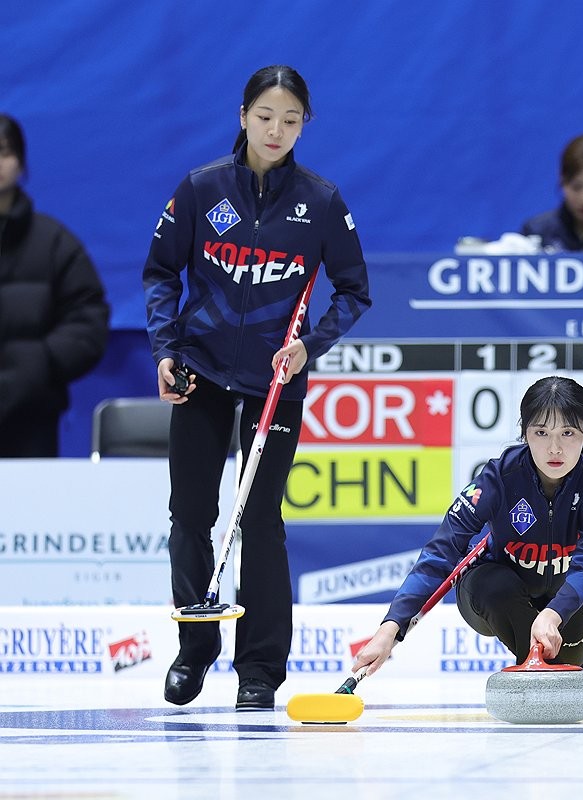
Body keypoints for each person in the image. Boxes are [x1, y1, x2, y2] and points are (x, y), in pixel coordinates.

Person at [143, 65, 371, 711]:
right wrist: (166, 348)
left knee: (261, 522)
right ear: (243, 115)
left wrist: (309, 347)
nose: (276, 130)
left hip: (277, 382)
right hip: (203, 372)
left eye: (291, 120)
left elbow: (355, 291)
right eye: (265, 116)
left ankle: (261, 670)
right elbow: (161, 274)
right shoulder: (200, 190)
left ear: (306, 125)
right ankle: (195, 647)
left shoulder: (321, 202)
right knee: (191, 514)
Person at [352, 376, 583, 677]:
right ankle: (536, 673)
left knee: (570, 682)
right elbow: (441, 551)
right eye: (541, 432)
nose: (554, 448)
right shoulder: (498, 477)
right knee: (502, 597)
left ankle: (545, 669)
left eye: (568, 432)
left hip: (564, 601)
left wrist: (554, 613)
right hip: (491, 594)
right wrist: (390, 628)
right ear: (525, 433)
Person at [0, 114, 110, 457]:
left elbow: (88, 321)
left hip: (29, 420)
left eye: (3, 152)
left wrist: (38, 362)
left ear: (20, 162)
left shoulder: (54, 243)